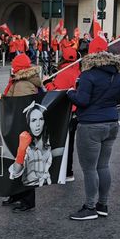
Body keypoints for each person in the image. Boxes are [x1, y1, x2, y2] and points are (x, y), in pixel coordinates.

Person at [66, 38, 120, 220]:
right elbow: (119, 100)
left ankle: (90, 207)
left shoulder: (88, 75)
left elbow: (82, 100)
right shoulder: (118, 75)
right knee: (103, 165)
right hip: (112, 122)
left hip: (91, 125)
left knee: (89, 168)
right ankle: (102, 205)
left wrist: (70, 93)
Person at [1, 53, 44, 212]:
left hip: (20, 128)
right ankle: (17, 195)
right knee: (19, 161)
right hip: (23, 129)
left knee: (23, 162)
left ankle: (26, 200)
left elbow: (18, 108)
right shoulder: (23, 82)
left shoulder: (22, 85)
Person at [44, 46, 80, 182]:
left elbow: (57, 92)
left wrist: (48, 83)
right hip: (76, 111)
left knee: (60, 142)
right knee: (69, 143)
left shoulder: (63, 73)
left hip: (66, 112)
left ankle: (62, 170)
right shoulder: (78, 71)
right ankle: (68, 171)